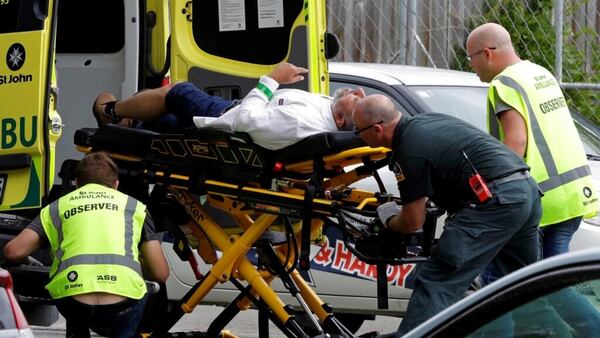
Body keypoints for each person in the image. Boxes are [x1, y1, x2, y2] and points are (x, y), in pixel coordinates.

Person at [352, 94, 542, 335]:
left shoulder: (409, 151)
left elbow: (412, 221)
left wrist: (389, 218)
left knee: (437, 281)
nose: (358, 136)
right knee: (526, 284)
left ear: (377, 129)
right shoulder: (428, 121)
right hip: (526, 191)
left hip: (496, 202)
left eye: (359, 132)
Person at [466, 22, 599, 265]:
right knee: (552, 283)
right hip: (573, 194)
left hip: (540, 201)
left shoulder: (504, 84)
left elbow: (516, 141)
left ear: (487, 53)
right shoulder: (540, 73)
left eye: (470, 57)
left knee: (520, 286)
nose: (470, 65)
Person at [3, 152, 169, 338]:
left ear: (76, 183)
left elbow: (13, 251)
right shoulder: (135, 207)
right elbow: (160, 273)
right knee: (136, 302)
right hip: (122, 302)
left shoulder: (57, 207)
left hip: (74, 299)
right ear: (116, 185)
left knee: (73, 303)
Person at [93, 62, 365, 150]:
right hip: (233, 111)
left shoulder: (301, 123)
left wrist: (271, 80)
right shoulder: (331, 111)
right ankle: (130, 123)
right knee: (166, 125)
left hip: (226, 119)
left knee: (178, 92)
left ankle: (112, 111)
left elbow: (245, 121)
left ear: (341, 120)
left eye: (358, 99)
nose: (357, 91)